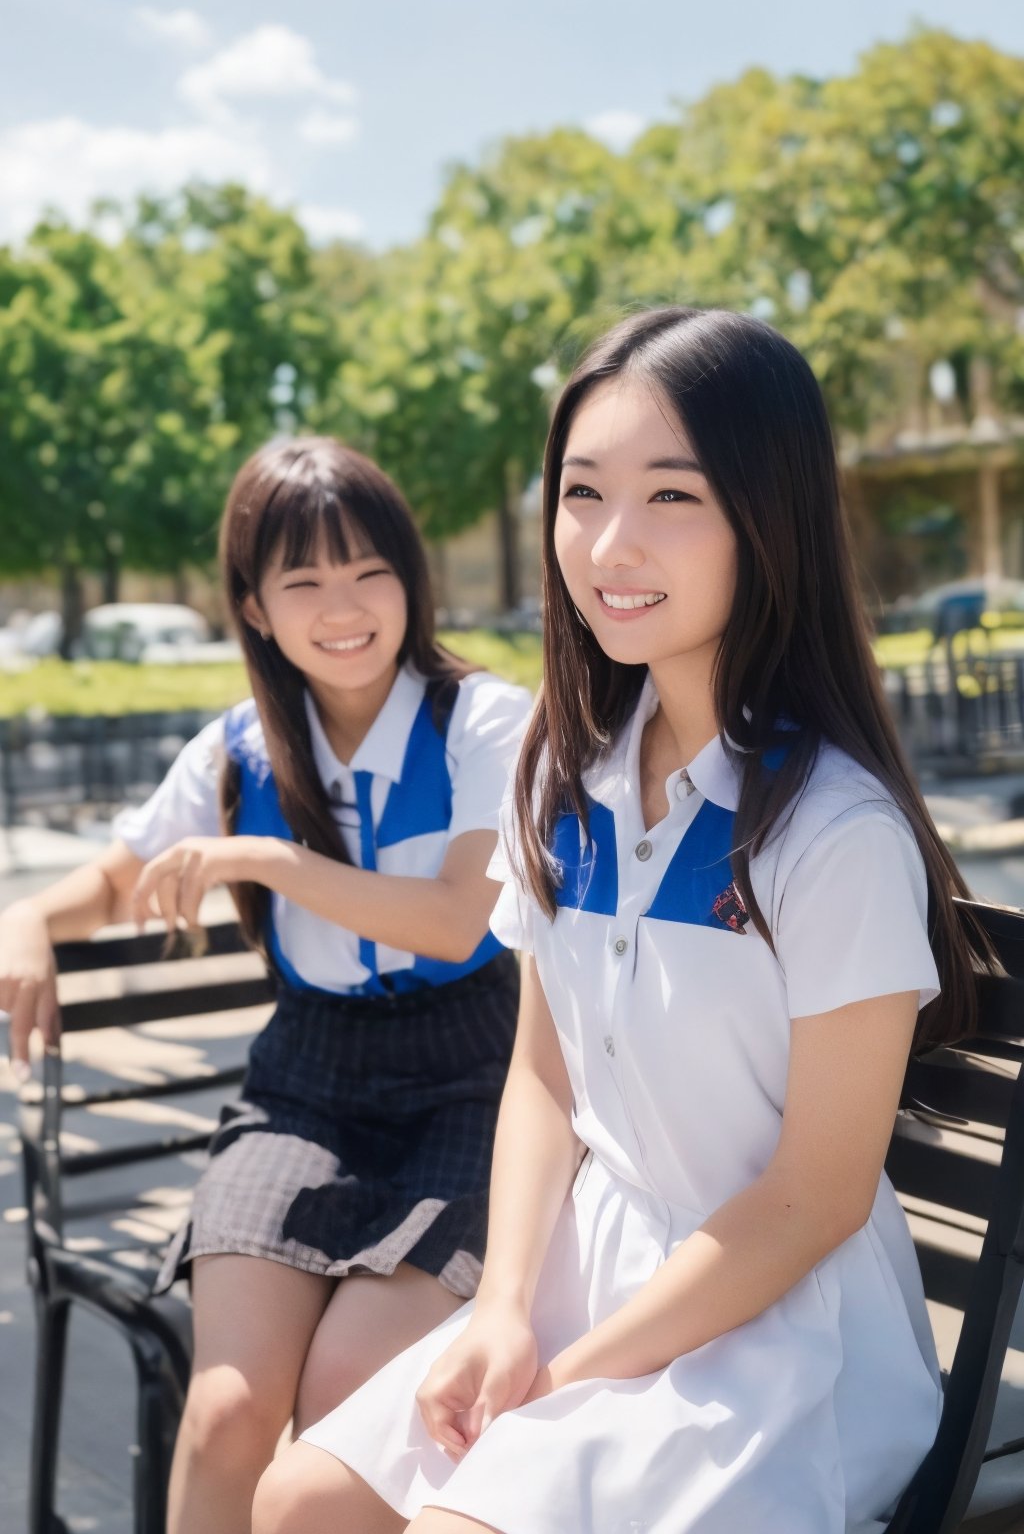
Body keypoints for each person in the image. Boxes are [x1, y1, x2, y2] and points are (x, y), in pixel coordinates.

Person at [251, 309, 992, 1534]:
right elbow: (540, 1078)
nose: (608, 542)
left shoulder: (830, 831)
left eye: (671, 497)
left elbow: (810, 1199)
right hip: (583, 1276)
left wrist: (573, 1374)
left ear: (769, 519)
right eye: (582, 492)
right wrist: (498, 1311)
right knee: (293, 1504)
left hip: (778, 1344)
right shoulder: (563, 774)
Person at [0, 437, 532, 1534]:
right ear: (253, 605)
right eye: (304, 580)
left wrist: (269, 862)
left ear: (409, 577)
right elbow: (117, 878)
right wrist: (26, 918)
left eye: (368, 569)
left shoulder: (484, 720)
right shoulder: (241, 748)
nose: (344, 606)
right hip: (307, 1083)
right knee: (229, 1413)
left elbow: (451, 918)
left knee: (346, 1400)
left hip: (474, 1085)